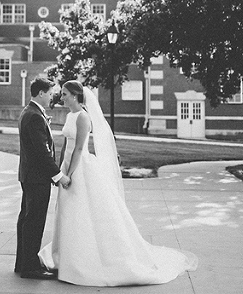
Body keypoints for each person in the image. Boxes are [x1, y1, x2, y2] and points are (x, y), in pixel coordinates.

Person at [39, 80, 197, 286]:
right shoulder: (69, 115)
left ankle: (86, 261)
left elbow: (79, 149)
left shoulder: (83, 117)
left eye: (66, 94)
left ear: (76, 96)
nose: (63, 97)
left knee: (83, 211)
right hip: (67, 167)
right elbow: (66, 145)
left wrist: (70, 173)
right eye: (63, 94)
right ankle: (67, 257)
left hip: (80, 168)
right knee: (68, 212)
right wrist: (61, 170)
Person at [15, 76, 70, 280]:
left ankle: (23, 263)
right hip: (37, 177)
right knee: (34, 221)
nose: (51, 97)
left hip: (29, 175)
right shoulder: (35, 116)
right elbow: (41, 152)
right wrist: (58, 176)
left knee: (26, 220)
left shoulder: (29, 112)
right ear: (40, 93)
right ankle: (30, 267)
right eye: (49, 93)